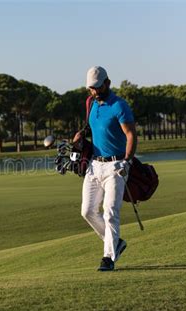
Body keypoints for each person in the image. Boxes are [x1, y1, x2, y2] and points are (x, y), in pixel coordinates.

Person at [73, 66, 137, 271]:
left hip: (116, 166)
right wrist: (79, 136)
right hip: (94, 165)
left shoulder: (120, 105)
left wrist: (127, 161)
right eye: (90, 88)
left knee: (110, 212)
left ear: (107, 83)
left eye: (97, 87)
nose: (93, 91)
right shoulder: (91, 103)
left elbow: (131, 135)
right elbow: (90, 128)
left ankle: (108, 258)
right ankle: (115, 243)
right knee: (87, 211)